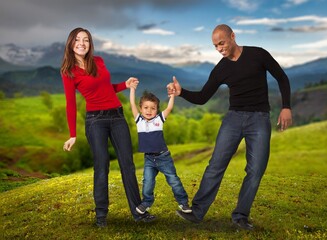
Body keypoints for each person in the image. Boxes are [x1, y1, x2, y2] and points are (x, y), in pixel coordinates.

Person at [167, 24, 292, 230]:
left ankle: (240, 216)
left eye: (222, 43)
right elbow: (202, 97)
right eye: (215, 46)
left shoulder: (258, 54)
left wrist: (286, 106)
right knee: (216, 165)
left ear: (232, 36)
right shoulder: (221, 68)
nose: (219, 49)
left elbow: (281, 77)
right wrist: (181, 92)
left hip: (259, 118)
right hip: (233, 119)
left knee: (256, 169)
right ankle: (197, 212)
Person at [61, 27, 155, 227]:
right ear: (70, 43)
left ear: (90, 43)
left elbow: (105, 88)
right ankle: (101, 215)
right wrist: (72, 135)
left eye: (86, 40)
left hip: (117, 116)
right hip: (95, 121)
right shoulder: (69, 72)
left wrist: (124, 85)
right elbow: (70, 103)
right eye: (77, 39)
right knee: (101, 166)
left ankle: (138, 212)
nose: (82, 43)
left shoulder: (98, 61)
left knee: (127, 165)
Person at [129, 86, 192, 215]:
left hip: (164, 157)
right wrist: (132, 89)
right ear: (141, 109)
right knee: (147, 182)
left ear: (157, 110)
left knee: (173, 180)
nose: (149, 110)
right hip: (149, 159)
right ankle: (146, 203)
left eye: (153, 108)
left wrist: (172, 96)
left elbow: (169, 108)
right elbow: (132, 103)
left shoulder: (159, 120)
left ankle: (183, 203)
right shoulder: (139, 120)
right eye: (146, 108)